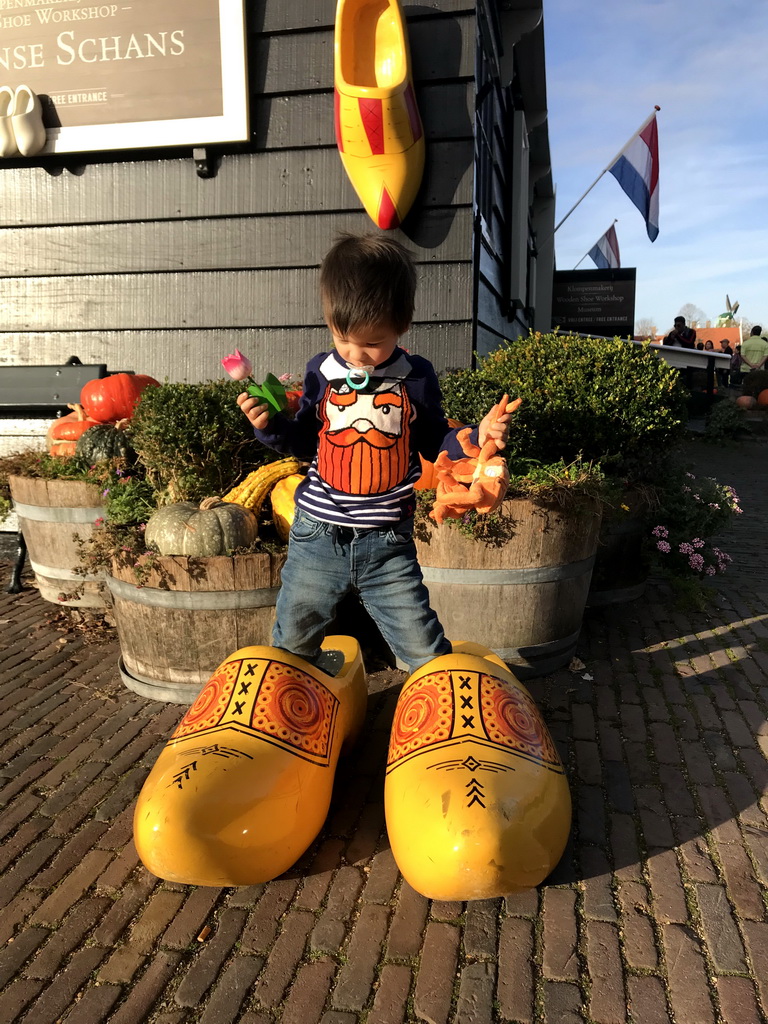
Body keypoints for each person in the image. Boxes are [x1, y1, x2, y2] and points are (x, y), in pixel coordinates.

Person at [236, 232, 514, 673]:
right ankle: (294, 710)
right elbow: (307, 442)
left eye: (373, 343)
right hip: (316, 537)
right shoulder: (320, 372)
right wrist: (269, 428)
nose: (358, 355)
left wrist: (476, 435)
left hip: (387, 544)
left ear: (402, 325)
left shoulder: (415, 377)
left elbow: (435, 440)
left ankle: (441, 711)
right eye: (344, 339)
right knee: (292, 641)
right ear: (330, 322)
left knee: (424, 647)